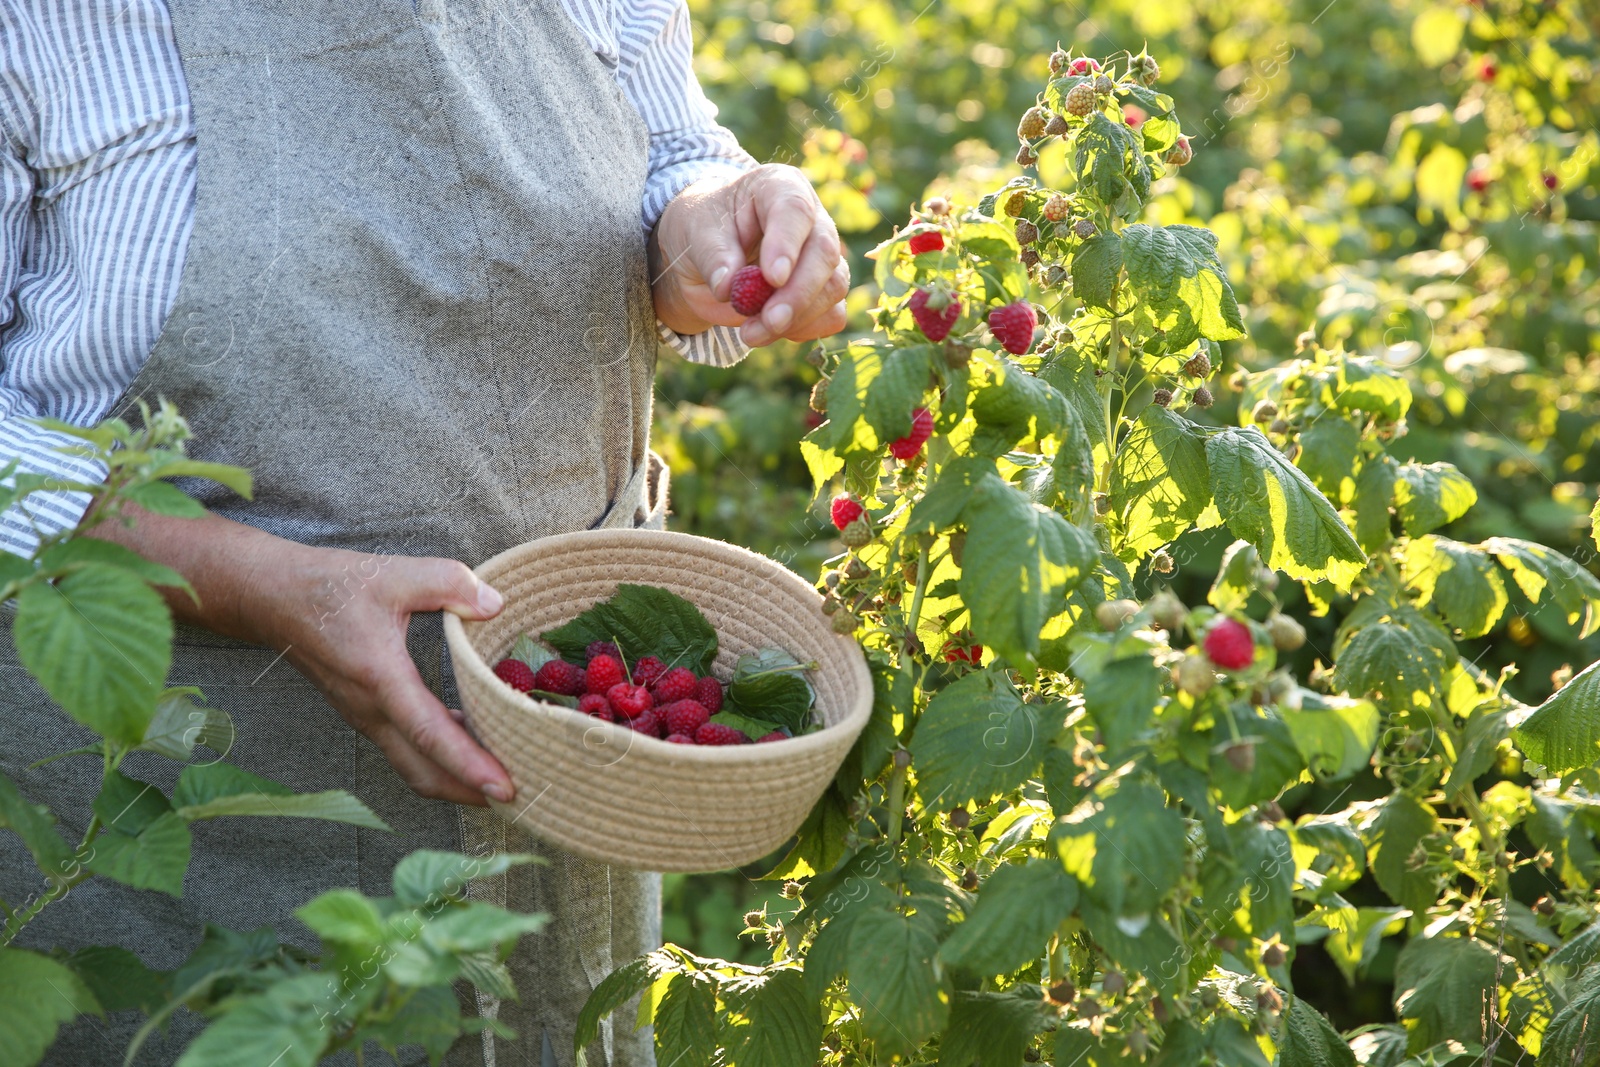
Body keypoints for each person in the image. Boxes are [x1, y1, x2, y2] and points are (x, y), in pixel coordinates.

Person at [0, 1, 849, 1064]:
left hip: (561, 778)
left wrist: (718, 220)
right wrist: (255, 577)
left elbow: (664, 158)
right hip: (182, 786)